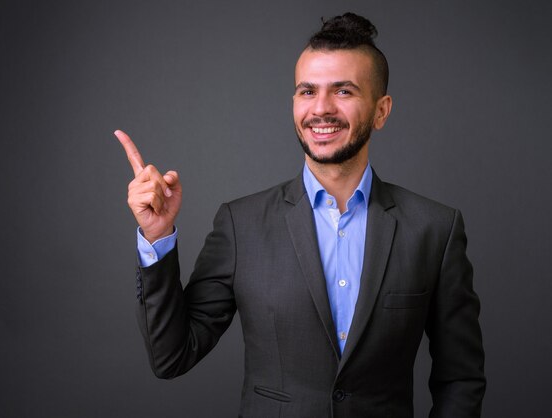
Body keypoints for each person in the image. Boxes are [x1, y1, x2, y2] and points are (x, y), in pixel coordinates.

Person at [115, 12, 485, 418]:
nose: (321, 109)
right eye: (307, 91)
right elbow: (172, 356)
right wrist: (157, 235)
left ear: (381, 111)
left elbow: (460, 379)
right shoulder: (242, 225)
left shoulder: (434, 229)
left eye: (343, 91)